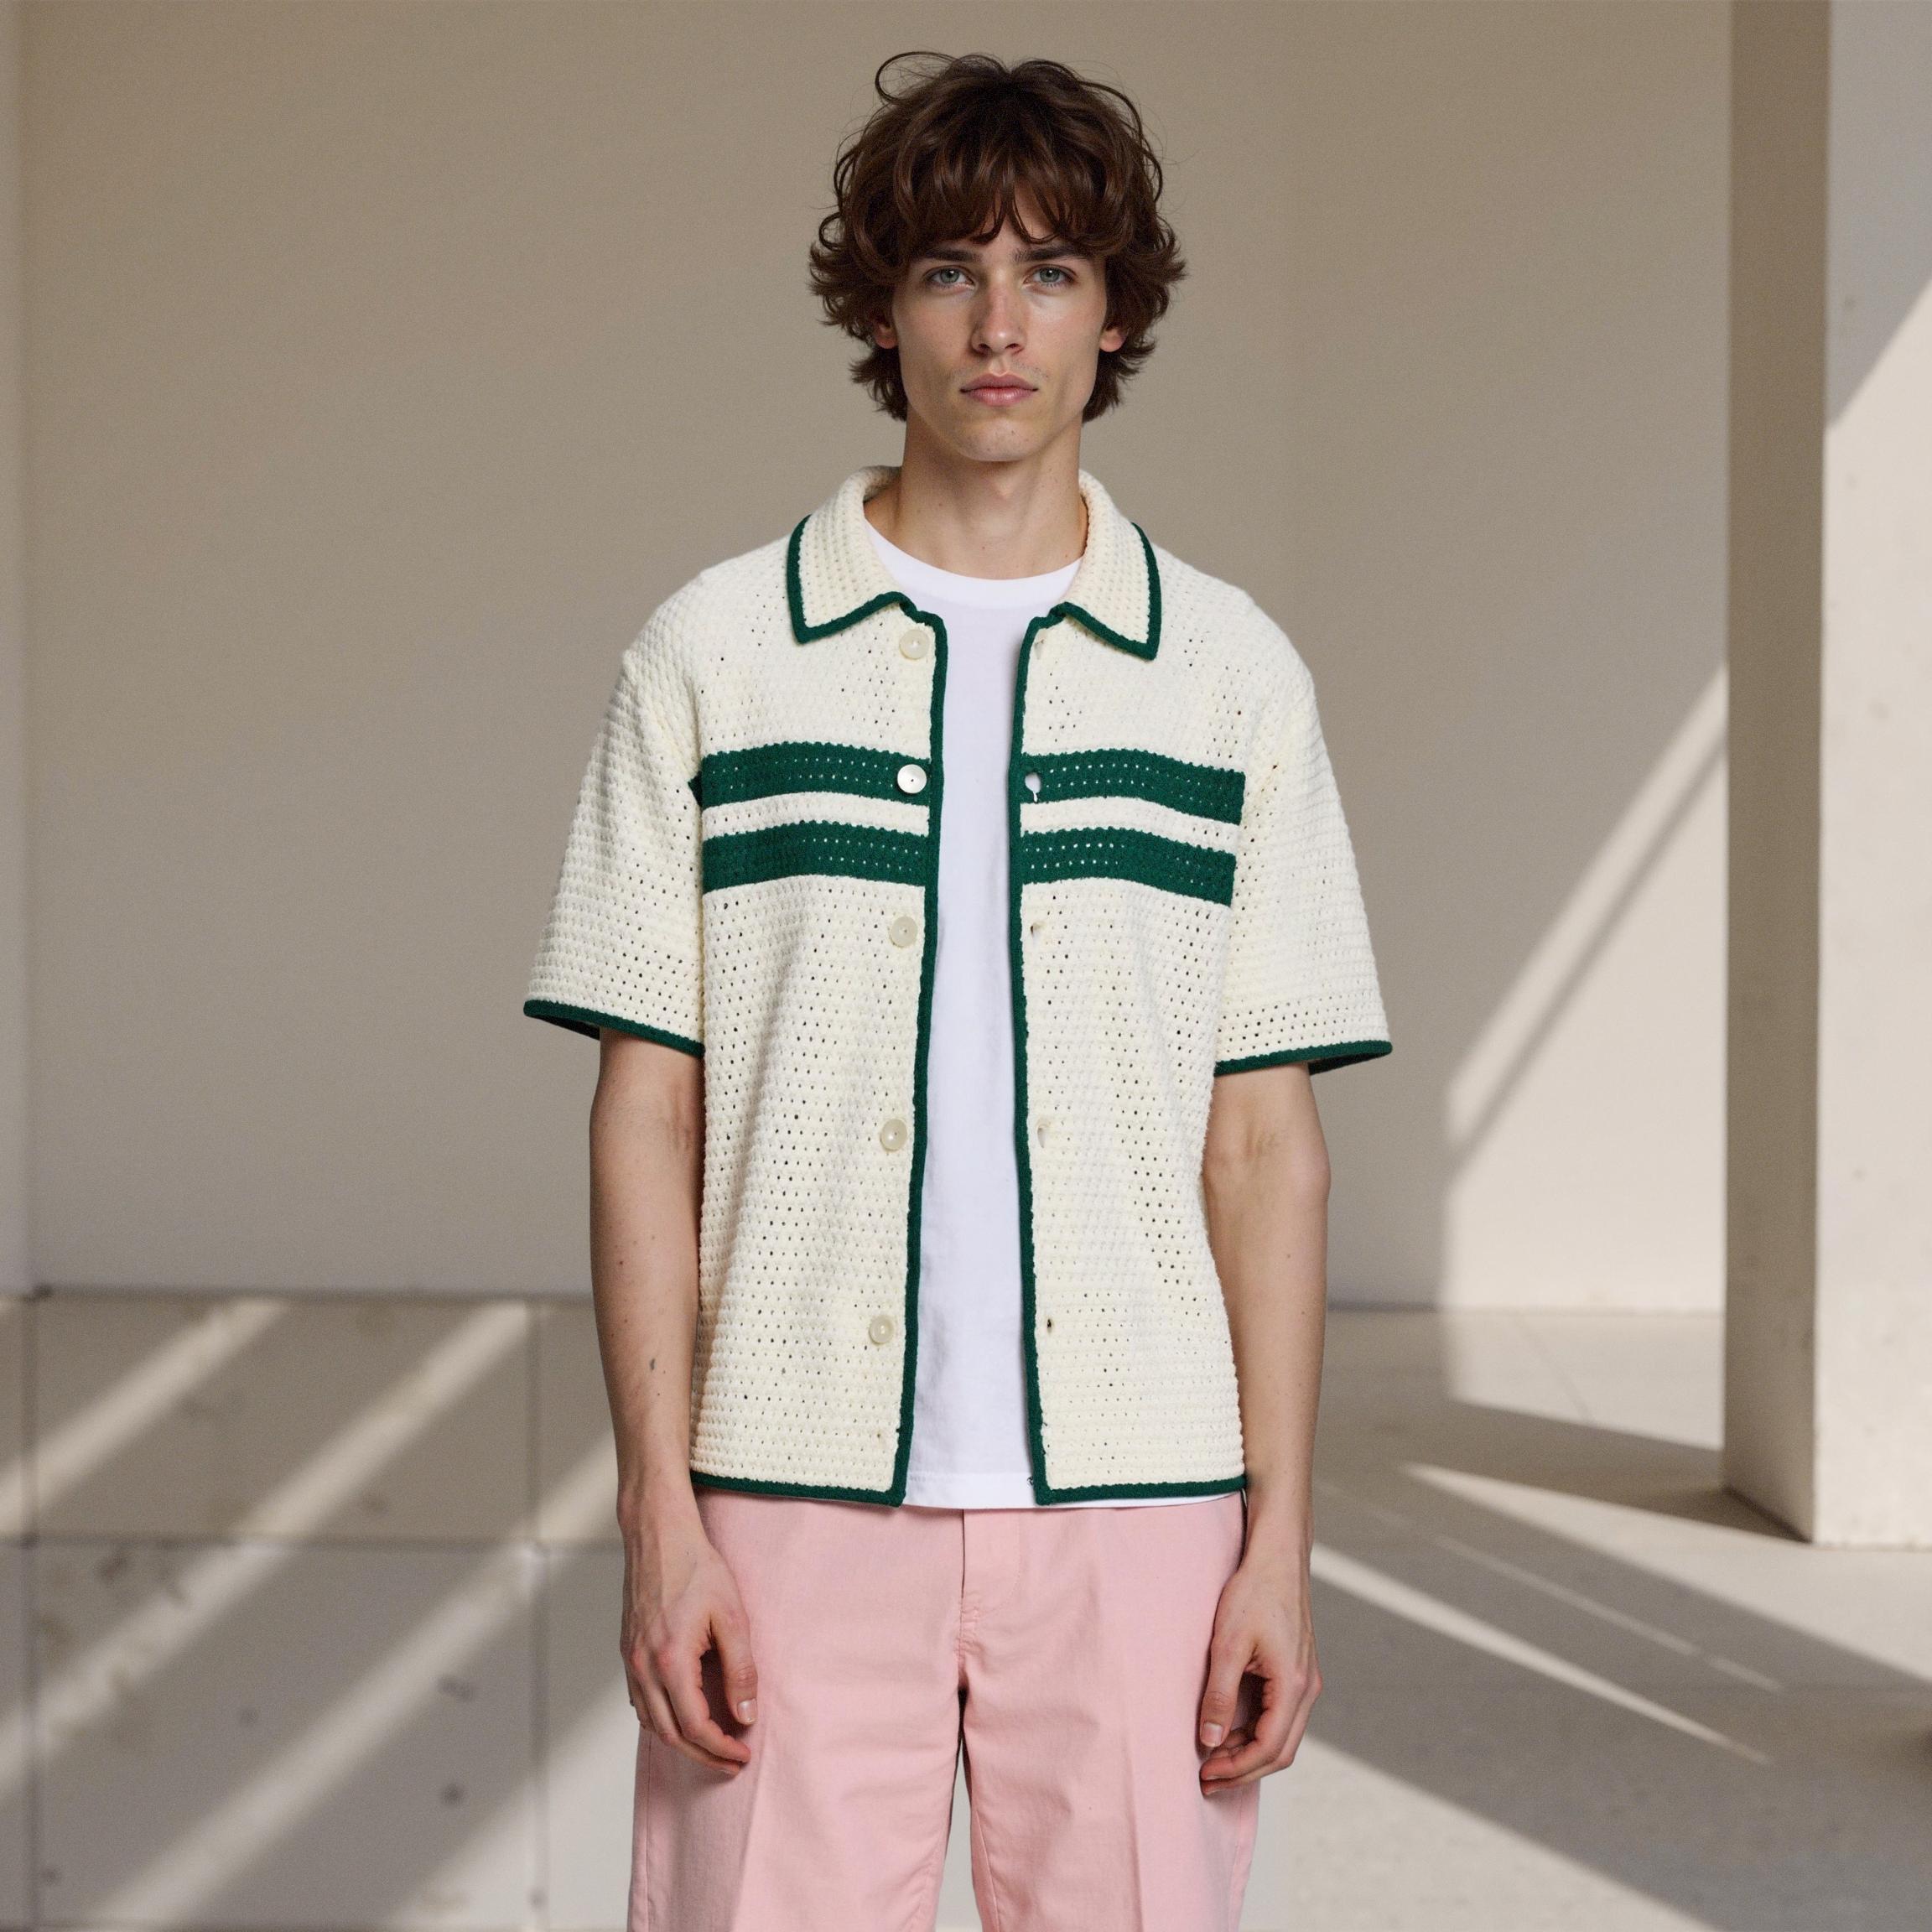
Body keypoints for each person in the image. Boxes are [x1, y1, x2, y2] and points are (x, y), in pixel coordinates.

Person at [522, 49, 1392, 1932]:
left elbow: (1268, 1149)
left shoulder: (1228, 678)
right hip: (784, 1498)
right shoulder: (714, 658)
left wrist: (1278, 1545)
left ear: (1116, 313)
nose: (1000, 325)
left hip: (1146, 1507)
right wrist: (660, 1521)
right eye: (948, 271)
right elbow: (645, 1113)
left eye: (1051, 272)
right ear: (881, 308)